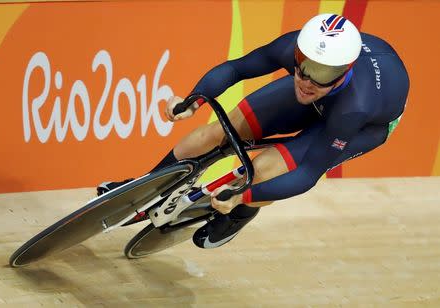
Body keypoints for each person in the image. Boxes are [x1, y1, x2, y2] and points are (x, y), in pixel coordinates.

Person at [98, 14, 409, 249]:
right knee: (214, 133)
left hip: (362, 125)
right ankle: (144, 187)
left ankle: (239, 217)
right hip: (332, 99)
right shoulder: (298, 54)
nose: (307, 80)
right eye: (303, 65)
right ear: (299, 53)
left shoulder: (356, 107)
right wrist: (193, 100)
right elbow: (237, 68)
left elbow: (307, 174)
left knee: (262, 171)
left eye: (323, 74)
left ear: (344, 71)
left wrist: (241, 197)